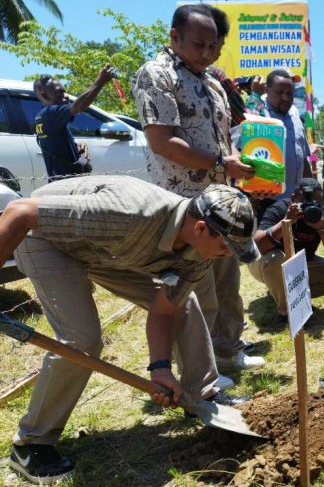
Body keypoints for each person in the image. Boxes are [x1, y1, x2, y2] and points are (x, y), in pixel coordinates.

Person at [3, 177, 256, 484]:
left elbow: (164, 309)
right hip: (46, 240)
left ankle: (201, 395)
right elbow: (20, 212)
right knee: (82, 339)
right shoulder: (129, 214)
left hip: (104, 249)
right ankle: (31, 445)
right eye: (226, 247)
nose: (228, 254)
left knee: (184, 304)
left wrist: (160, 368)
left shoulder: (198, 252)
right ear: (200, 228)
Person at [132, 3, 263, 370]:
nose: (206, 53)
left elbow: (225, 138)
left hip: (222, 201)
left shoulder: (212, 82)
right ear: (175, 37)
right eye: (198, 44)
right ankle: (198, 370)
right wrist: (222, 163)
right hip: (185, 207)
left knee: (226, 283)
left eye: (213, 47)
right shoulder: (156, 75)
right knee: (194, 292)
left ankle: (228, 350)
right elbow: (162, 141)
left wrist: (237, 166)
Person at [248, 178, 324, 324]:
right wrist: (286, 222)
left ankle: (289, 295)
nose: (310, 206)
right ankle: (286, 313)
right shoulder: (279, 209)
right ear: (293, 198)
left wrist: (322, 228)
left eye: (316, 202)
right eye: (304, 202)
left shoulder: (323, 214)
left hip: (302, 263)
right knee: (274, 259)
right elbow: (259, 245)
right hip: (267, 264)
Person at [32, 66, 115, 181]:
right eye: (60, 92)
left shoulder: (44, 117)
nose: (66, 96)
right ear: (45, 96)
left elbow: (55, 144)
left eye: (65, 91)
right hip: (65, 185)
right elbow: (78, 107)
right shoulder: (50, 113)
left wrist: (76, 145)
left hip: (61, 182)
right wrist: (100, 81)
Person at [244, 69, 313, 197]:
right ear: (267, 89)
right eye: (280, 92)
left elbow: (302, 158)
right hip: (267, 198)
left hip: (296, 199)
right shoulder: (258, 110)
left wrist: (312, 188)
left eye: (289, 93)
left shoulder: (295, 112)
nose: (285, 98)